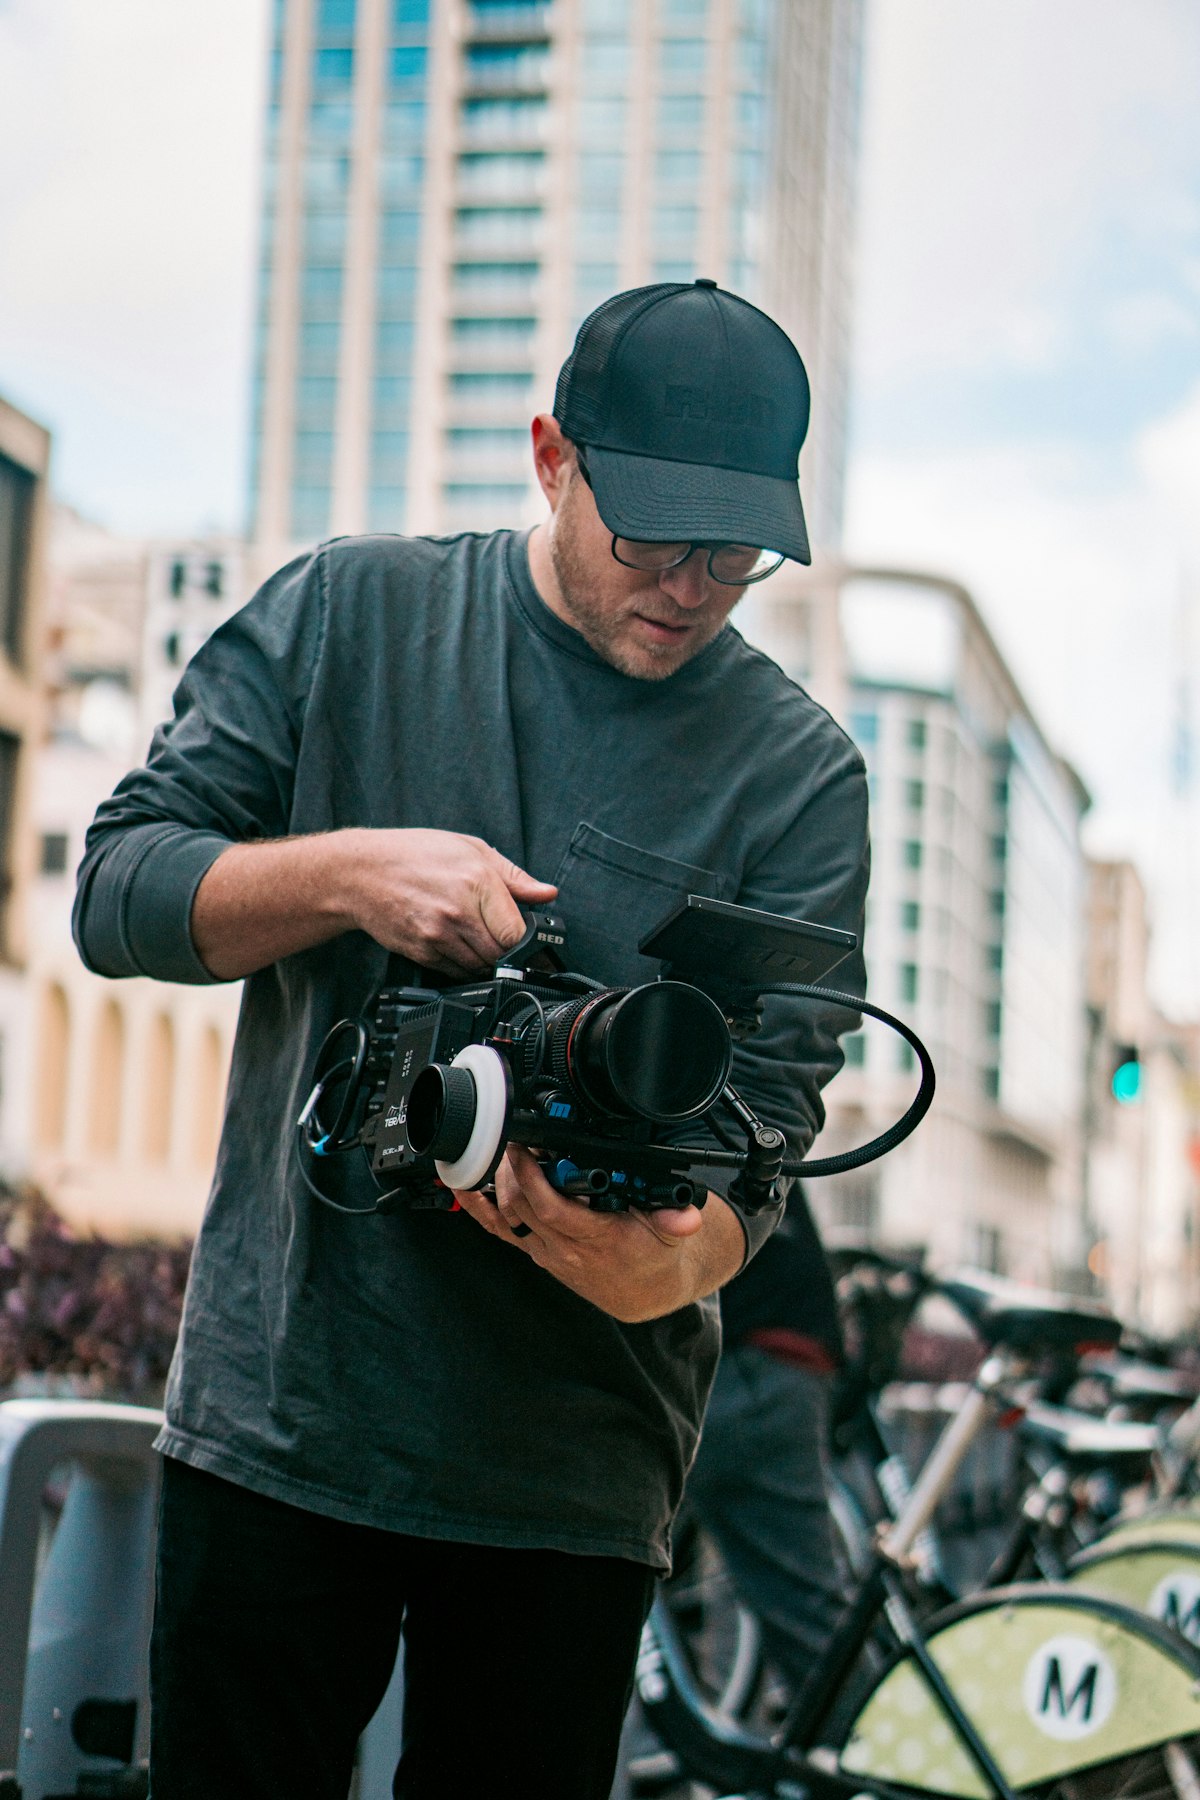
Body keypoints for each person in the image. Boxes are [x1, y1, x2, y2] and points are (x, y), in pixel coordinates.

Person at [73, 279, 869, 1800]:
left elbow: (770, 1130)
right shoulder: (350, 612)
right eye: (651, 534)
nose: (691, 586)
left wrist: (679, 1261)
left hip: (573, 1469)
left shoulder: (803, 775)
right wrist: (348, 872)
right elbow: (117, 892)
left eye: (736, 553)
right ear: (550, 457)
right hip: (287, 1419)